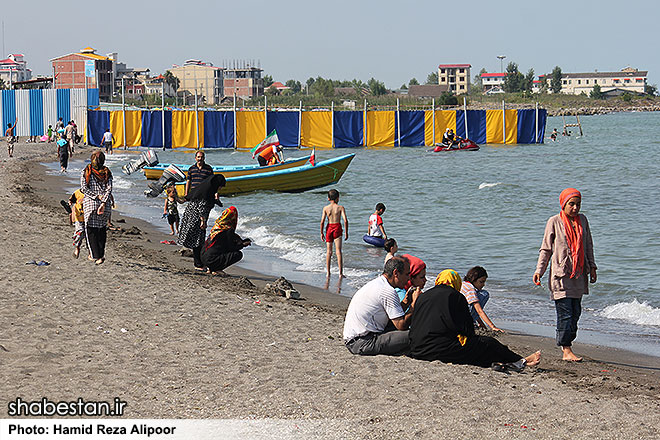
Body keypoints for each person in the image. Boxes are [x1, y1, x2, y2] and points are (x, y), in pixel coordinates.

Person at [409, 269, 541, 371]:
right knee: (488, 343)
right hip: (438, 351)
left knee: (479, 350)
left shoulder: (423, 296)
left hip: (417, 349)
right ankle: (520, 361)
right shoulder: (456, 296)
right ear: (455, 282)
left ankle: (518, 361)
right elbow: (467, 330)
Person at [533, 188, 597, 362]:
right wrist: (539, 270)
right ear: (563, 204)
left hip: (578, 276)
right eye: (572, 204)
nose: (575, 208)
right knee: (565, 313)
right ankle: (566, 349)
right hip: (560, 276)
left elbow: (588, 244)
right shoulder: (554, 221)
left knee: (576, 313)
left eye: (578, 204)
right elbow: (546, 249)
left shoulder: (583, 220)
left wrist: (592, 267)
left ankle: (567, 344)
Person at [343, 256, 420, 356]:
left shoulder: (378, 283)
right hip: (363, 342)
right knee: (416, 334)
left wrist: (406, 302)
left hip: (356, 338)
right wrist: (415, 304)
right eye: (406, 274)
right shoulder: (387, 290)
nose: (408, 278)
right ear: (396, 273)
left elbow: (394, 314)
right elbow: (401, 325)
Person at [178, 175, 226, 271]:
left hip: (192, 216)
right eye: (220, 186)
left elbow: (211, 203)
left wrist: (216, 199)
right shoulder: (206, 193)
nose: (220, 188)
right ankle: (198, 264)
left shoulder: (204, 190)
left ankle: (199, 263)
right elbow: (202, 207)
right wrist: (203, 221)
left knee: (198, 241)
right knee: (198, 241)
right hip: (196, 219)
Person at [80, 151, 113, 265]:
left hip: (91, 203)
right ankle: (101, 255)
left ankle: (95, 255)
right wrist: (103, 202)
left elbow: (84, 188)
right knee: (102, 229)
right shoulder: (107, 172)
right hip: (105, 204)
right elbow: (109, 189)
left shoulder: (86, 171)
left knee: (90, 229)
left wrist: (95, 196)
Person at [200, 206, 251, 276]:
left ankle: (211, 268)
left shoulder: (218, 226)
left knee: (218, 249)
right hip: (211, 260)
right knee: (238, 254)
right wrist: (243, 245)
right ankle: (216, 269)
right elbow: (231, 247)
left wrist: (242, 242)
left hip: (203, 257)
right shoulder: (228, 230)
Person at [460, 266, 502, 332]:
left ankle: (472, 321)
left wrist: (481, 323)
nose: (483, 284)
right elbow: (479, 310)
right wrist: (492, 327)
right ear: (473, 279)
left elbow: (474, 309)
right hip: (462, 319)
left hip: (457, 315)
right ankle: (470, 322)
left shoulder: (463, 284)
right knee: (484, 294)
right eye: (481, 282)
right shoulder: (470, 289)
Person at [320, 188, 349, 277]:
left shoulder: (326, 208)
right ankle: (340, 273)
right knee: (338, 251)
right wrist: (346, 232)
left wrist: (321, 233)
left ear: (328, 198)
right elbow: (345, 220)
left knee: (329, 252)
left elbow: (322, 221)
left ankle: (328, 273)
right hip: (337, 227)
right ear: (338, 198)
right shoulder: (340, 208)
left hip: (329, 227)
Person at [68, 190, 86, 259]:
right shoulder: (77, 193)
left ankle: (91, 252)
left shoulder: (92, 193)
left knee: (88, 236)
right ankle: (77, 247)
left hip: (89, 218)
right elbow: (71, 200)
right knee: (80, 233)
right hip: (79, 218)